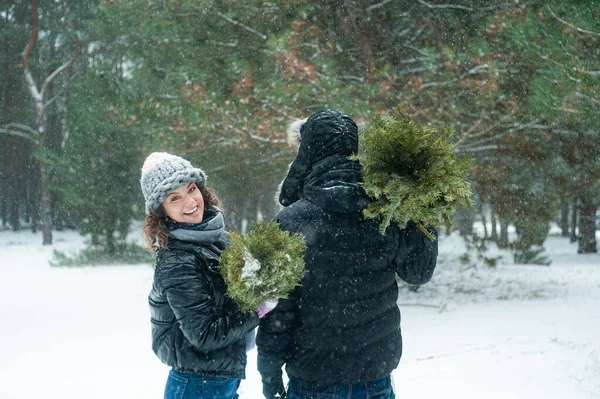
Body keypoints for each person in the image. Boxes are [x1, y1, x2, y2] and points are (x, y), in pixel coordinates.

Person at [256, 109, 439, 399]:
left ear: (309, 153)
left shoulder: (292, 221)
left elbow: (278, 308)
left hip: (313, 377)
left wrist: (269, 369)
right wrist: (423, 212)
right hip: (374, 376)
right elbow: (418, 271)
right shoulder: (386, 212)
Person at [140, 152, 274, 399]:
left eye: (191, 189)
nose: (190, 201)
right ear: (162, 211)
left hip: (215, 379)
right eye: (175, 197)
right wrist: (257, 309)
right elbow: (205, 335)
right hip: (198, 385)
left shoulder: (215, 239)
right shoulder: (178, 260)